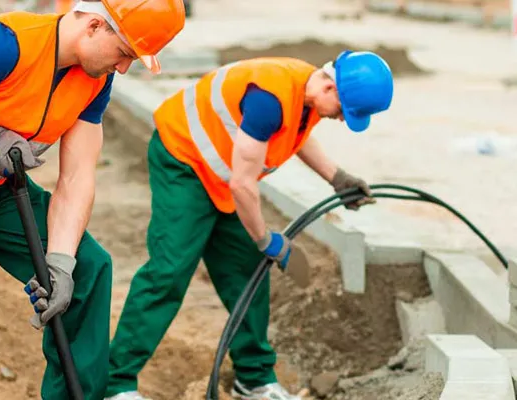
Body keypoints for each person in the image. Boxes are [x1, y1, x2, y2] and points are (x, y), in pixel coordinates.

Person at [0, 0, 185, 398]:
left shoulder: (94, 79)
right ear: (95, 26)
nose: (123, 68)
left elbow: (78, 175)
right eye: (124, 54)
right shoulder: (5, 44)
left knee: (87, 269)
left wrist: (61, 265)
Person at [104, 51, 394, 400]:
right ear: (330, 86)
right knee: (169, 271)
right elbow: (243, 184)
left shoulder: (308, 92)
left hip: (223, 172)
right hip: (185, 161)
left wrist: (337, 178)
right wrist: (265, 239)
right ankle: (116, 384)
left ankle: (253, 378)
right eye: (344, 111)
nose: (343, 120)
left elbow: (296, 135)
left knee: (247, 272)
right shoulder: (268, 100)